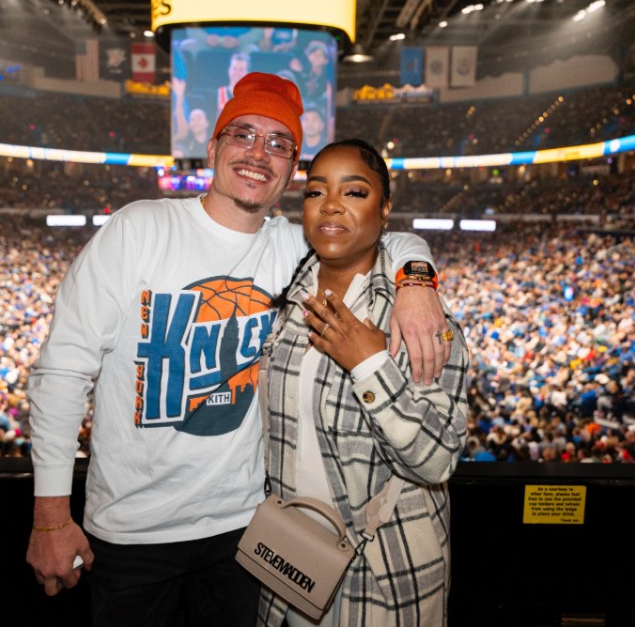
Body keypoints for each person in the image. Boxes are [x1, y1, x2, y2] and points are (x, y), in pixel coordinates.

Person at [25, 73, 451, 627]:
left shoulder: (290, 248)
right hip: (130, 532)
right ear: (213, 147)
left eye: (279, 143)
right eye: (243, 134)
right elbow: (62, 372)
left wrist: (417, 280)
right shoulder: (138, 229)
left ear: (292, 168)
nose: (259, 153)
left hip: (245, 533)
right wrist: (51, 516)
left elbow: (387, 236)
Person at [257, 138, 471, 626]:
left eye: (354, 192)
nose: (330, 205)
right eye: (315, 192)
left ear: (386, 207)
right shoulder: (280, 300)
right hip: (285, 562)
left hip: (382, 572)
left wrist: (370, 365)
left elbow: (437, 460)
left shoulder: (416, 321)